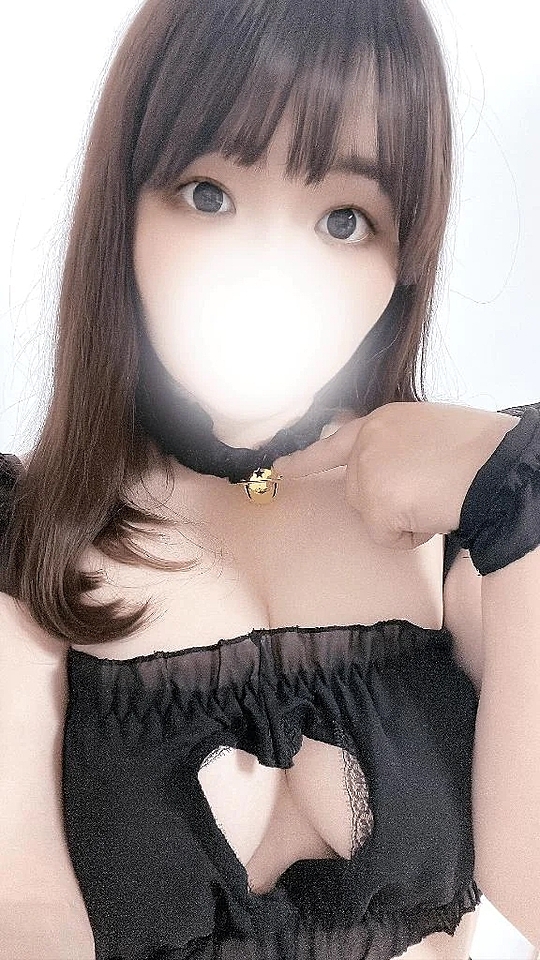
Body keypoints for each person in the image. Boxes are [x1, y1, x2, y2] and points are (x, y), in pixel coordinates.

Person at [2, 0, 539, 957]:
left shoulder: (473, 519)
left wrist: (513, 490)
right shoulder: (28, 544)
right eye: (209, 195)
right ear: (126, 210)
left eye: (344, 219)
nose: (267, 269)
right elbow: (26, 919)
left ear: (403, 260)